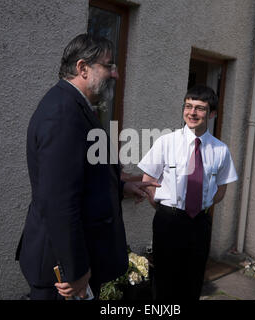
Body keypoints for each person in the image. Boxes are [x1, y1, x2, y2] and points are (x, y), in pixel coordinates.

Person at [15, 33, 159, 300]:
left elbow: (84, 178)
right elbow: (58, 200)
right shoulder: (62, 114)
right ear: (83, 68)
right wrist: (76, 269)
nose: (115, 74)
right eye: (108, 66)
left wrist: (123, 185)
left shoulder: (76, 107)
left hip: (75, 262)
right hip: (62, 273)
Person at [137, 85, 238, 300]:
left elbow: (221, 189)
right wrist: (167, 209)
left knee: (193, 281)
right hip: (168, 221)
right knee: (164, 281)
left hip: (199, 223)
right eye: (188, 106)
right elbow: (148, 182)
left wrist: (202, 208)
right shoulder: (166, 142)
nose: (192, 113)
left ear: (212, 114)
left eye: (200, 108)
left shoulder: (221, 150)